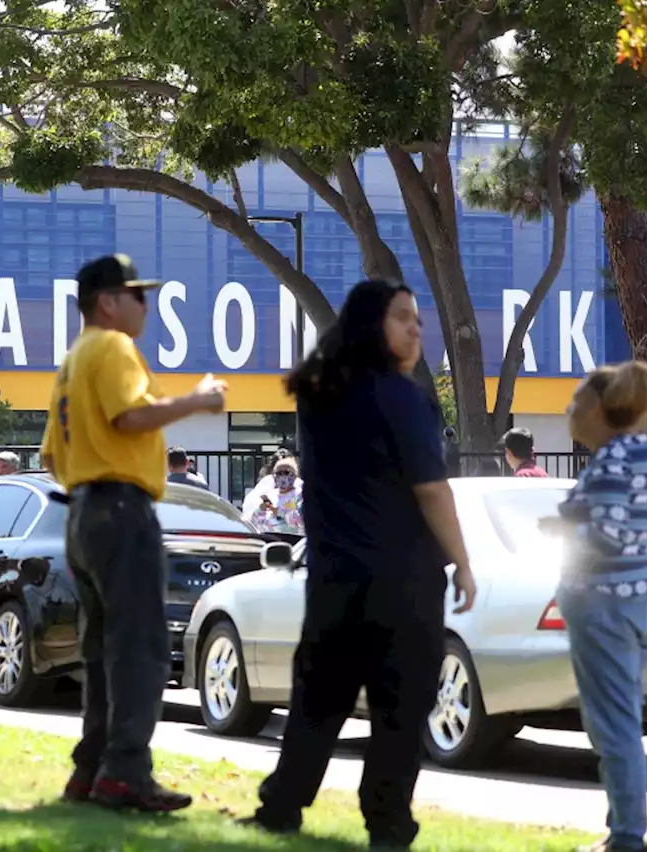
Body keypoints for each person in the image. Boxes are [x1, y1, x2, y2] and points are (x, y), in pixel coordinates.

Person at [242, 279, 476, 847]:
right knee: (401, 706)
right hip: (403, 579)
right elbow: (432, 489)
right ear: (374, 325)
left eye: (419, 320)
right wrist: (464, 564)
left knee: (318, 699)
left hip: (334, 576)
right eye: (403, 318)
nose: (416, 329)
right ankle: (388, 820)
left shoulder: (320, 393)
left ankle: (281, 807)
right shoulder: (405, 396)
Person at [41, 253, 228, 812]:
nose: (145, 304)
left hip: (81, 513)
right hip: (122, 510)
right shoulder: (113, 347)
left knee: (102, 651)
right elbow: (129, 416)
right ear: (108, 302)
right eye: (136, 294)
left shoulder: (72, 361)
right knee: (142, 648)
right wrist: (197, 401)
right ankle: (125, 774)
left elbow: (52, 457)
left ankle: (92, 769)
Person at [540, 361, 647, 852]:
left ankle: (626, 838)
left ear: (600, 408)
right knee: (622, 718)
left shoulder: (614, 460)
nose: (570, 410)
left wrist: (561, 529)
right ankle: (622, 829)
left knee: (611, 725)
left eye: (575, 402)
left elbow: (610, 537)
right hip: (633, 599)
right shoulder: (641, 455)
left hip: (605, 602)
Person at [248, 456, 303, 533]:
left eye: (286, 473)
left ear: (295, 475)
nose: (282, 476)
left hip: (293, 539)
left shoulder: (300, 495)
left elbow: (301, 518)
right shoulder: (270, 495)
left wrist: (279, 512)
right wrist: (261, 510)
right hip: (271, 538)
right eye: (278, 473)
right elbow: (255, 522)